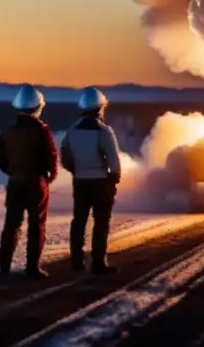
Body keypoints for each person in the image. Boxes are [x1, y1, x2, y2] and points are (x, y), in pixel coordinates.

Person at [0, 84, 59, 279]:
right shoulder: (42, 131)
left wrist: (13, 172)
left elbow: (0, 157)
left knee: (11, 224)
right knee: (36, 224)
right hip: (36, 183)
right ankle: (32, 268)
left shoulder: (7, 132)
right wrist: (49, 176)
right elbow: (52, 156)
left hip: (15, 183)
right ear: (38, 106)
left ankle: (4, 267)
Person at [60, 86, 122, 274]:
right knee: (101, 223)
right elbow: (114, 160)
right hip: (101, 182)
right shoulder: (104, 131)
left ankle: (76, 261)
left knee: (79, 221)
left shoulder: (71, 131)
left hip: (80, 182)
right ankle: (98, 263)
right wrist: (114, 179)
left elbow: (65, 158)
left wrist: (77, 171)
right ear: (100, 108)